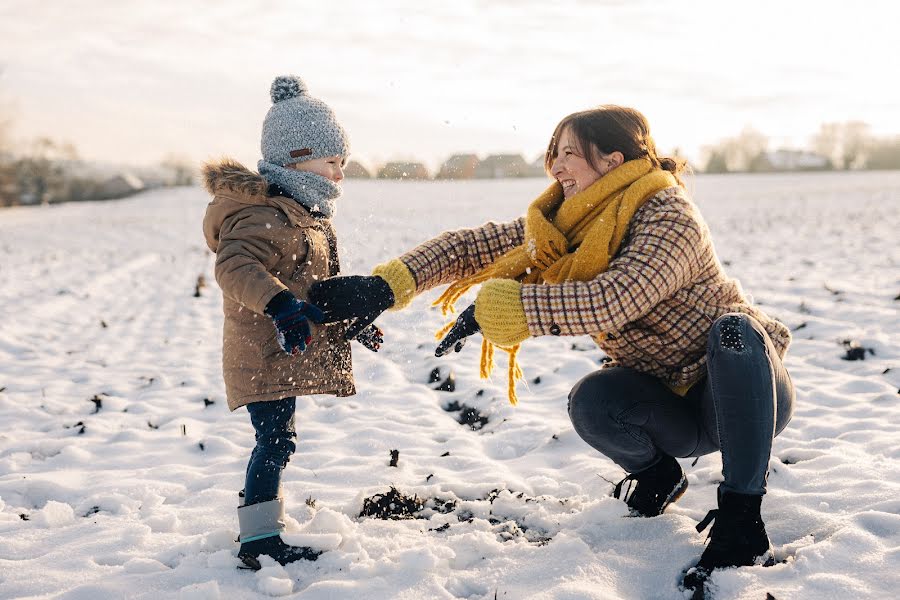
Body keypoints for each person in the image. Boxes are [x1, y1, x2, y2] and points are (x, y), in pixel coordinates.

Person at [308, 105, 794, 591]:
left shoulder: (669, 215)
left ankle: (741, 522)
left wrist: (513, 307)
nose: (555, 167)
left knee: (734, 332)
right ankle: (659, 477)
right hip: (672, 409)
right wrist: (386, 286)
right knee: (592, 400)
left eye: (568, 154)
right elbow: (473, 247)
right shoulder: (569, 226)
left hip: (743, 394)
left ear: (612, 159)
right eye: (553, 154)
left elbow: (614, 299)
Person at [201, 75, 382, 570]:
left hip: (285, 347)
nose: (339, 175)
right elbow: (234, 268)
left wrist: (351, 322)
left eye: (342, 164)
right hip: (262, 352)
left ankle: (260, 530)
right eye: (331, 162)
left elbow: (316, 288)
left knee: (279, 438)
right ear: (295, 158)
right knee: (276, 439)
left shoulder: (306, 214)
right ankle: (258, 541)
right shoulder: (260, 215)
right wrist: (280, 307)